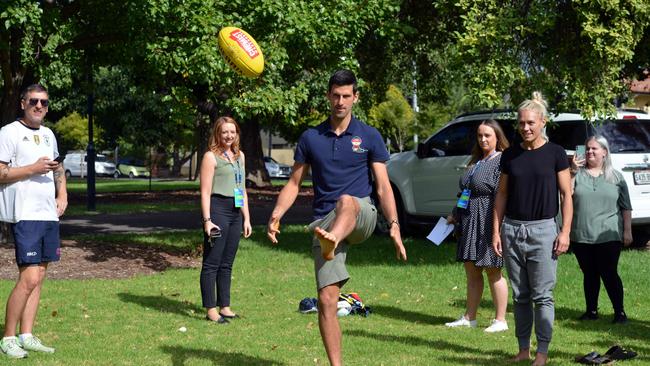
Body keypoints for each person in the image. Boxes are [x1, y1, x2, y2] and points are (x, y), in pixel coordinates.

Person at [266, 69, 407, 366]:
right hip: (325, 224)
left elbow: (382, 187)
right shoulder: (311, 137)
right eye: (336, 95)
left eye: (346, 96)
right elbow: (294, 183)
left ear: (355, 98)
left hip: (362, 215)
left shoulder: (369, 136)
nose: (341, 101)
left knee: (347, 201)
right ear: (328, 96)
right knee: (327, 302)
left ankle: (335, 238)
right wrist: (276, 215)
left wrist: (394, 225)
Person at [492, 92, 573, 366]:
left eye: (530, 123)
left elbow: (567, 195)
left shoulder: (556, 153)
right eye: (521, 123)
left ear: (543, 122)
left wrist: (565, 232)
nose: (525, 128)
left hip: (544, 232)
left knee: (542, 295)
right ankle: (523, 349)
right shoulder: (510, 155)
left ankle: (543, 353)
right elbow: (501, 195)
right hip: (512, 230)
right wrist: (496, 231)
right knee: (520, 295)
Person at [0, 84, 67, 358]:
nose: (40, 106)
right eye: (34, 102)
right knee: (28, 278)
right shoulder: (9, 132)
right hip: (24, 214)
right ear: (23, 103)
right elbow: (1, 173)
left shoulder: (49, 134)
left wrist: (62, 193)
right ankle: (8, 338)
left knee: (39, 277)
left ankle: (26, 335)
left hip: (47, 214)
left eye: (44, 103)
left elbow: (58, 166)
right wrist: (33, 169)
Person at [445, 120, 509, 333]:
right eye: (480, 135)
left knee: (493, 270)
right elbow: (467, 192)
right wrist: (455, 213)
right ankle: (469, 317)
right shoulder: (478, 161)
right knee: (472, 271)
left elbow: (501, 195)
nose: (483, 139)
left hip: (488, 220)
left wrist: (496, 228)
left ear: (497, 137)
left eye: (487, 135)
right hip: (469, 220)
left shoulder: (501, 161)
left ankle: (500, 320)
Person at [569, 136, 632, 324]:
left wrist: (627, 231)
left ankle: (619, 312)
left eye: (594, 149)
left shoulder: (616, 177)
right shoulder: (577, 175)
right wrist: (572, 171)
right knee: (589, 274)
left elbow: (626, 206)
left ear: (604, 152)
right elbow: (567, 196)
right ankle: (591, 311)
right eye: (587, 149)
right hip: (582, 234)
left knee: (609, 272)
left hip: (609, 234)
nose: (589, 152)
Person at [199, 116, 252, 324]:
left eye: (232, 132)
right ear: (217, 134)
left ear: (237, 133)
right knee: (212, 262)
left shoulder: (240, 156)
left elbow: (242, 189)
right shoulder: (210, 157)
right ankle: (211, 310)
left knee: (227, 263)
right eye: (224, 132)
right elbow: (204, 193)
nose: (229, 136)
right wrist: (207, 220)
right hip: (217, 209)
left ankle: (225, 306)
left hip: (235, 211)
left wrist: (246, 218)